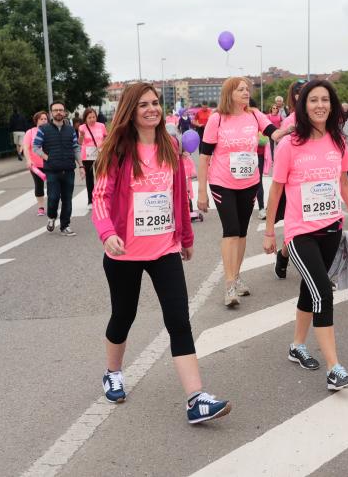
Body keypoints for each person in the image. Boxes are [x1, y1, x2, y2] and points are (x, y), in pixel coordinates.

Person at [92, 82, 230, 423]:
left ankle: (196, 399)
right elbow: (100, 199)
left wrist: (185, 237)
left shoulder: (170, 145)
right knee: (123, 316)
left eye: (155, 103)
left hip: (164, 250)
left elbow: (177, 193)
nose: (152, 109)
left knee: (179, 321)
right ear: (130, 110)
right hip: (124, 252)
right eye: (143, 105)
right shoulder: (118, 151)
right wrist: (107, 234)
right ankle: (112, 371)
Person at [263, 79, 348, 391]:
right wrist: (269, 232)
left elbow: (344, 182)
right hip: (299, 232)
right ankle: (335, 368)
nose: (320, 105)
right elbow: (276, 188)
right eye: (313, 100)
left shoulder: (337, 140)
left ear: (332, 105)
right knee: (323, 291)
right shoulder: (289, 145)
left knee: (311, 290)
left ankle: (296, 346)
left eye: (325, 100)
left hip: (331, 228)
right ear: (303, 106)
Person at [197, 78, 277, 306]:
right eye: (240, 89)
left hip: (249, 182)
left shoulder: (254, 115)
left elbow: (274, 133)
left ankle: (237, 276)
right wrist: (201, 191)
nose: (246, 92)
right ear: (229, 93)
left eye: (247, 89)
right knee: (231, 230)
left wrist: (294, 129)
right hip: (222, 182)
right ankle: (229, 285)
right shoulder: (217, 119)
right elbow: (204, 157)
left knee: (242, 232)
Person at [268, 80, 309, 279]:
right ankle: (284, 255)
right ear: (293, 96)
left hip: (317, 180)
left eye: (305, 91)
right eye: (298, 92)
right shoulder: (289, 120)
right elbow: (281, 148)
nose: (302, 95)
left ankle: (317, 270)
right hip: (294, 181)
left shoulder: (320, 117)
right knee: (296, 226)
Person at [33, 100, 85, 236]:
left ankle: (65, 226)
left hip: (68, 170)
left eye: (60, 110)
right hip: (52, 170)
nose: (58, 112)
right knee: (53, 197)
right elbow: (36, 147)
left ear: (65, 112)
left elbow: (76, 148)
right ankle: (51, 217)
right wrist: (47, 158)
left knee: (67, 199)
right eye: (55, 110)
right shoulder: (43, 129)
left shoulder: (70, 130)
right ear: (51, 113)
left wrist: (81, 166)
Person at [78, 107, 108, 209]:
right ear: (85, 118)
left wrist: (104, 146)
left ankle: (101, 199)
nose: (92, 119)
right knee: (89, 178)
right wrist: (81, 136)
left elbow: (106, 137)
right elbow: (80, 143)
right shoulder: (82, 128)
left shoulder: (101, 126)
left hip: (100, 154)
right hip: (87, 155)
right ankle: (90, 201)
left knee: (100, 177)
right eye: (89, 117)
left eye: (94, 117)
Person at [24, 111, 48, 216]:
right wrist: (28, 160)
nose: (43, 120)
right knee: (39, 185)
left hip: (49, 163)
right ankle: (41, 207)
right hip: (36, 165)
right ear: (36, 120)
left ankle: (53, 204)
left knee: (53, 184)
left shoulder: (50, 131)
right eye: (41, 119)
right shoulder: (30, 132)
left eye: (45, 119)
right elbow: (26, 147)